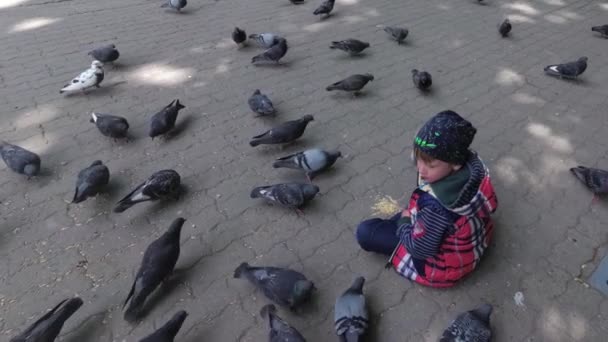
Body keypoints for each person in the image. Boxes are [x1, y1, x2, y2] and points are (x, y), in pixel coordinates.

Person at [356, 110, 498, 288]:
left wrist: (405, 221)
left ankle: (401, 226)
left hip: (440, 266)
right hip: (467, 238)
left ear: (455, 163)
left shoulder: (435, 209)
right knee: (400, 219)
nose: (420, 169)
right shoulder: (473, 168)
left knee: (365, 232)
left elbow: (420, 249)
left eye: (430, 165)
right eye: (418, 158)